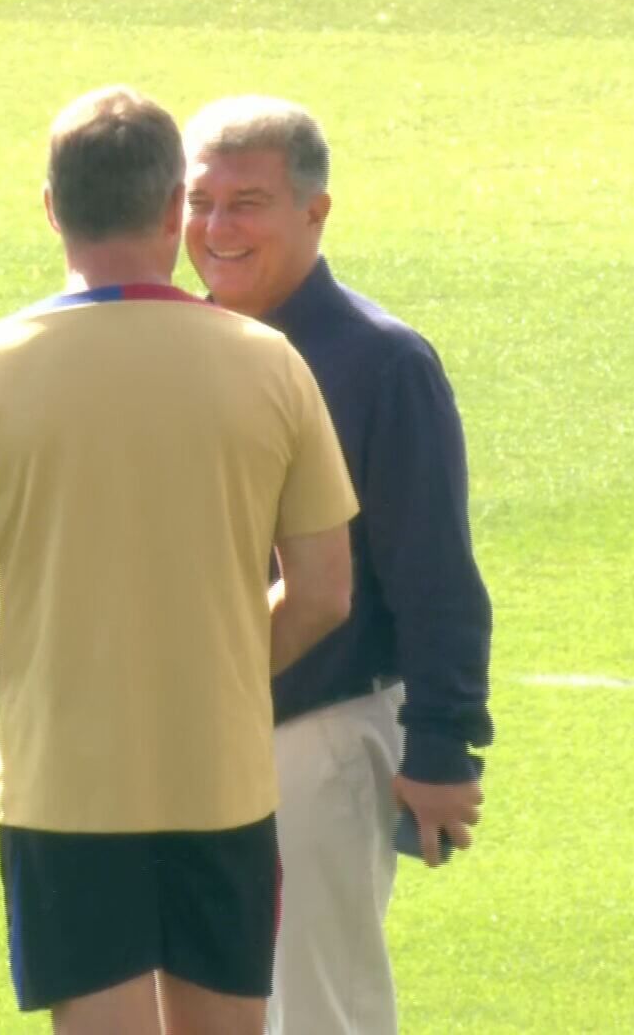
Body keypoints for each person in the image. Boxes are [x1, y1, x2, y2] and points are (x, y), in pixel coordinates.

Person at [0, 86, 361, 1035]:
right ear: (171, 210)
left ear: (53, 207)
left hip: (62, 786)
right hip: (219, 777)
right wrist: (218, 679)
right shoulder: (269, 365)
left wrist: (38, 691)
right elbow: (322, 593)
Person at [181, 96, 495, 1035]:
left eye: (248, 203)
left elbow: (435, 573)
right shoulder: (171, 348)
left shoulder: (381, 363)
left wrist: (443, 749)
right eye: (199, 202)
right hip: (186, 744)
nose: (216, 229)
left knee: (322, 1014)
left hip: (318, 737)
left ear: (315, 213)